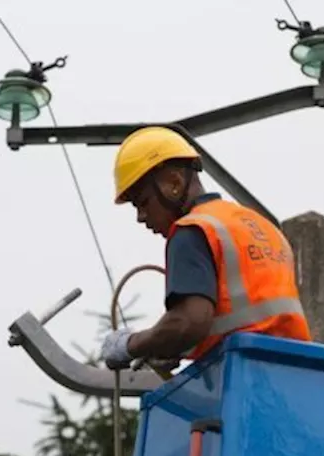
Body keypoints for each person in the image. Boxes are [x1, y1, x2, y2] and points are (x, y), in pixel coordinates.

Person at [98, 126, 311, 370]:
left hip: (241, 377)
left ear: (174, 183)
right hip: (294, 376)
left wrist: (130, 345)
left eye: (143, 202)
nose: (141, 216)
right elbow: (249, 317)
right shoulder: (261, 227)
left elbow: (189, 322)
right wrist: (169, 345)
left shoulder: (192, 230)